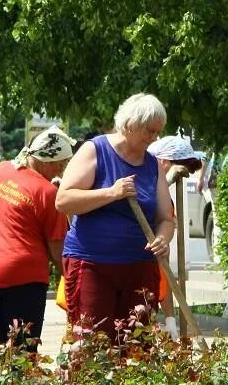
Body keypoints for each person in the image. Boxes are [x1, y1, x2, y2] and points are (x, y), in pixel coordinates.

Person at [56, 93, 175, 337]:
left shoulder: (152, 165)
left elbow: (165, 217)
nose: (154, 138)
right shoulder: (95, 150)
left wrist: (163, 238)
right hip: (92, 264)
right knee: (92, 342)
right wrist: (112, 193)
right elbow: (64, 200)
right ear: (131, 125)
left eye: (157, 132)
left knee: (136, 344)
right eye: (150, 131)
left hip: (139, 268)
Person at [0, 126, 75, 348]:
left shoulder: (1, 169)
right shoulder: (49, 193)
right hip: (23, 279)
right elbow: (57, 251)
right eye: (60, 163)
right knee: (22, 354)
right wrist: (74, 284)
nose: (61, 170)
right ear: (44, 161)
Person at [146, 135, 204, 338]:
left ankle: (170, 325)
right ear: (163, 162)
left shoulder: (162, 189)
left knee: (163, 278)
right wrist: (169, 178)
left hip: (155, 263)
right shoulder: (145, 178)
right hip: (135, 262)